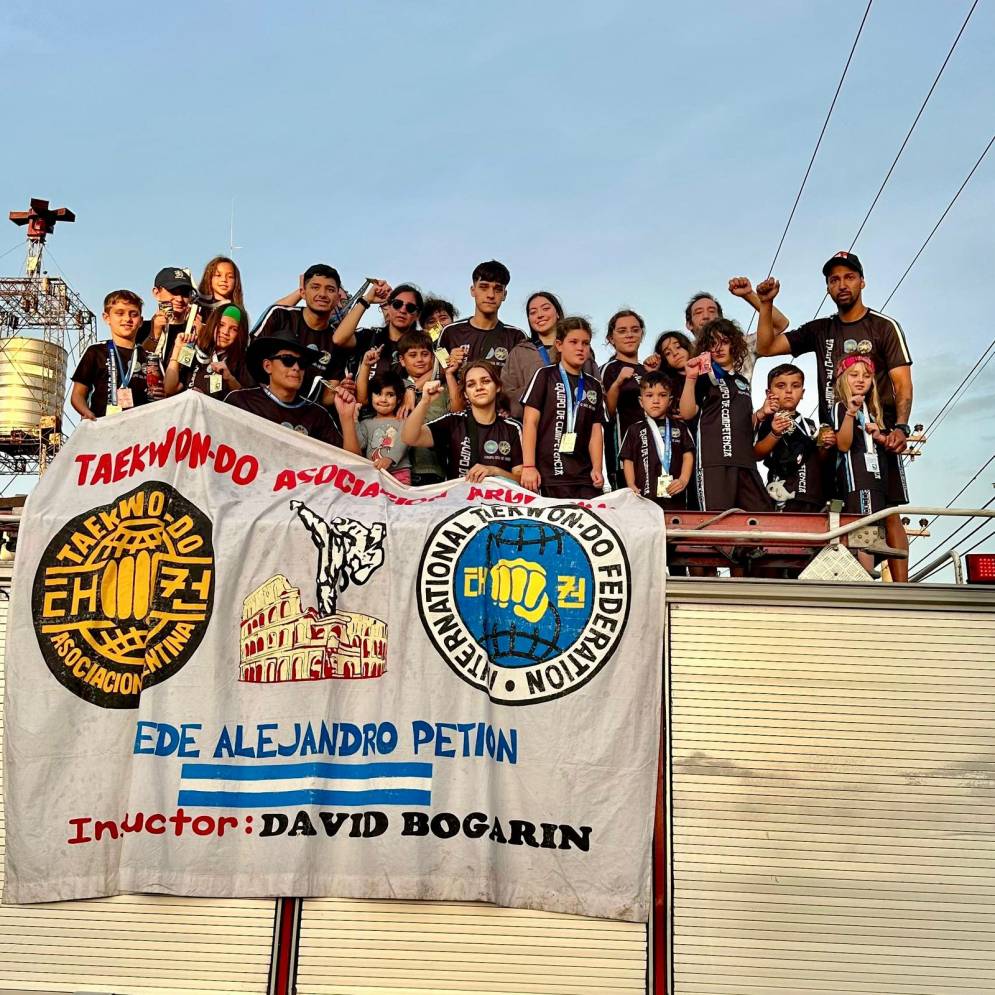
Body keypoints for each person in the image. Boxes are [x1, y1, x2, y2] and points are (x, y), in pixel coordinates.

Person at [755, 251, 912, 578]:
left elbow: (902, 384)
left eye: (849, 277)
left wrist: (900, 427)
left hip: (877, 432)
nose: (842, 284)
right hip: (834, 434)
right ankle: (846, 581)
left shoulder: (884, 327)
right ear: (827, 287)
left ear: (862, 282)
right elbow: (768, 347)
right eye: (834, 279)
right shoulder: (820, 329)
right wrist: (764, 304)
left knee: (892, 510)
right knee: (837, 511)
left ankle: (901, 587)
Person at [678, 318, 772, 512]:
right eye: (712, 343)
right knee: (718, 524)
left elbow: (744, 423)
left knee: (762, 517)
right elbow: (687, 413)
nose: (719, 348)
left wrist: (761, 414)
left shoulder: (742, 381)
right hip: (714, 463)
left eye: (725, 341)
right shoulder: (703, 378)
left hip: (746, 462)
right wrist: (690, 378)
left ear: (735, 344)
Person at [226, 325, 360, 453]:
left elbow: (353, 468)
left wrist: (346, 418)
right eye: (287, 360)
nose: (296, 367)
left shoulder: (318, 415)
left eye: (302, 363)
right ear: (267, 366)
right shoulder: (240, 401)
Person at [520, 317, 607, 499]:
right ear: (559, 345)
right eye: (573, 342)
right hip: (549, 474)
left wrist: (597, 468)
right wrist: (528, 466)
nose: (580, 348)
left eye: (585, 343)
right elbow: (530, 422)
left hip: (584, 476)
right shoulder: (545, 375)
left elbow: (595, 430)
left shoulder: (594, 385)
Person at [402, 360, 523, 482]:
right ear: (465, 393)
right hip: (458, 499)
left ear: (498, 387)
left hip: (499, 500)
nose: (479, 387)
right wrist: (424, 402)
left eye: (485, 381)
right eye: (471, 384)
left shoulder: (513, 428)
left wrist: (494, 472)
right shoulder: (453, 422)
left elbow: (523, 480)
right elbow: (410, 438)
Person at [832, 355, 897, 575]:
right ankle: (863, 572)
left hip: (877, 476)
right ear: (842, 378)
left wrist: (879, 437)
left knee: (875, 519)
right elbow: (842, 444)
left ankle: (867, 566)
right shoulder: (841, 407)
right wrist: (850, 413)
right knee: (863, 525)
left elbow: (887, 444)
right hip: (857, 477)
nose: (861, 380)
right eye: (854, 375)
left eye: (867, 376)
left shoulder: (873, 411)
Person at [251, 264, 346, 400]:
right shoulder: (280, 315)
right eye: (315, 287)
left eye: (330, 289)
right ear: (302, 292)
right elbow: (252, 357)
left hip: (304, 414)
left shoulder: (338, 338)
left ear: (337, 297)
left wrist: (343, 393)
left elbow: (327, 398)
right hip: (259, 404)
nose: (322, 294)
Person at [503, 291, 597, 420]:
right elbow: (507, 394)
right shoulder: (519, 352)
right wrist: (541, 391)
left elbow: (595, 390)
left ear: (558, 313)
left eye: (546, 309)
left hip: (576, 426)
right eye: (533, 312)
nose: (540, 315)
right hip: (533, 427)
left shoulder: (580, 347)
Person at [753, 364, 831, 511]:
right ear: (769, 393)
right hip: (784, 494)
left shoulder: (811, 425)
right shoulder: (769, 419)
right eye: (781, 386)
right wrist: (775, 434)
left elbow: (820, 460)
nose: (789, 391)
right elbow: (756, 454)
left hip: (813, 495)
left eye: (795, 386)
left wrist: (825, 444)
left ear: (802, 392)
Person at [683, 280, 790, 384]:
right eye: (698, 313)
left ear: (721, 318)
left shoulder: (742, 344)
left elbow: (780, 324)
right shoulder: (681, 354)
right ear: (689, 324)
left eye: (712, 311)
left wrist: (748, 294)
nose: (706, 316)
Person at [71, 290, 155, 420]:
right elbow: (77, 395)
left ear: (141, 321)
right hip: (103, 426)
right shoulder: (95, 352)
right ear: (107, 318)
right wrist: (85, 411)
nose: (127, 319)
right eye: (120, 313)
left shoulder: (150, 357)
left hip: (140, 431)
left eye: (133, 314)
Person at [396, 331, 463, 485]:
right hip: (394, 469)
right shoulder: (393, 387)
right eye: (412, 355)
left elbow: (458, 414)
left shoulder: (445, 388)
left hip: (433, 470)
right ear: (402, 360)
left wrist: (450, 376)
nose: (419, 359)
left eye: (425, 354)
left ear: (433, 358)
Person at [334, 282, 427, 391]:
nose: (402, 310)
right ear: (389, 306)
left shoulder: (424, 345)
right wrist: (366, 300)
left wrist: (412, 388)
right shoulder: (369, 336)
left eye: (410, 308)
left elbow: (443, 366)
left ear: (418, 315)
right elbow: (338, 339)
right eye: (397, 304)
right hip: (360, 405)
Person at [621, 372, 694, 508]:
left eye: (662, 395)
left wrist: (683, 480)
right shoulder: (634, 430)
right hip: (643, 498)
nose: (656, 400)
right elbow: (628, 459)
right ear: (641, 402)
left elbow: (688, 455)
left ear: (670, 401)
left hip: (675, 497)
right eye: (649, 395)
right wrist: (631, 485)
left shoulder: (681, 427)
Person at [437, 260, 526, 370]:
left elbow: (523, 379)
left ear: (504, 295)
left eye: (498, 289)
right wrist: (449, 362)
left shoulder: (517, 337)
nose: (491, 295)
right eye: (484, 287)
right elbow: (436, 376)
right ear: (473, 290)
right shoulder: (449, 332)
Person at [601, 309, 647, 490]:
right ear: (611, 338)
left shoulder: (648, 370)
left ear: (641, 334)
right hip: (623, 454)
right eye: (622, 331)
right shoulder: (609, 369)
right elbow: (607, 413)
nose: (629, 335)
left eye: (635, 330)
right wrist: (618, 382)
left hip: (653, 452)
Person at [164, 304, 250, 399]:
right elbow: (169, 389)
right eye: (221, 325)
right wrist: (177, 350)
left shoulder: (243, 361)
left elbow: (246, 402)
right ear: (213, 324)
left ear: (240, 333)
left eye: (234, 329)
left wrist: (230, 379)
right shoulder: (191, 346)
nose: (225, 332)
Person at [355, 371, 412, 483]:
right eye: (378, 393)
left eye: (390, 395)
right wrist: (354, 420)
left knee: (399, 500)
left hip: (399, 473)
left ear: (399, 399)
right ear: (371, 396)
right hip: (373, 472)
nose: (383, 399)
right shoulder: (366, 423)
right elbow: (360, 444)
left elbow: (404, 441)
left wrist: (389, 459)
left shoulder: (404, 420)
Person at [140, 266, 197, 361]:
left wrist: (204, 339)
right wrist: (154, 336)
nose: (179, 299)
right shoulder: (141, 328)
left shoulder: (194, 331)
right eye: (173, 292)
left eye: (185, 293)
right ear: (156, 293)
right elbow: (136, 365)